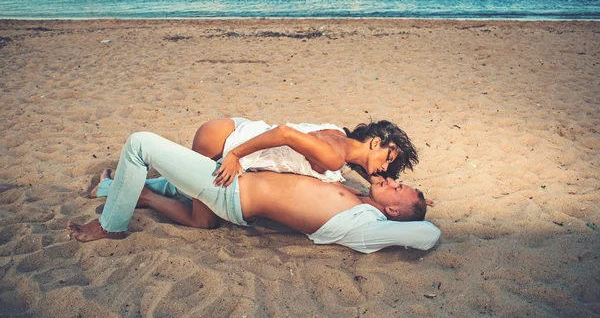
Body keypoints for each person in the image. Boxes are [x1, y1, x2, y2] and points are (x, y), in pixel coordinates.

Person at [67, 132, 440, 253]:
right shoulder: (359, 196)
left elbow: (428, 233)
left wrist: (416, 213)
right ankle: (114, 187)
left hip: (227, 192)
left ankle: (112, 226)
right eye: (396, 178)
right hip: (232, 183)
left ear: (392, 213)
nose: (392, 179)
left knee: (139, 144)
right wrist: (412, 203)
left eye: (399, 188)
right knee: (173, 181)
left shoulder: (363, 225)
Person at [90, 117, 420, 227]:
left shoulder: (339, 139)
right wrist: (234, 155)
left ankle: (108, 186)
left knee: (194, 198)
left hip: (233, 130)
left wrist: (395, 189)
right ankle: (130, 198)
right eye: (389, 158)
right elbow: (284, 133)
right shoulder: (334, 156)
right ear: (375, 141)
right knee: (201, 220)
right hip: (223, 140)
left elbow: (352, 165)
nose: (387, 169)